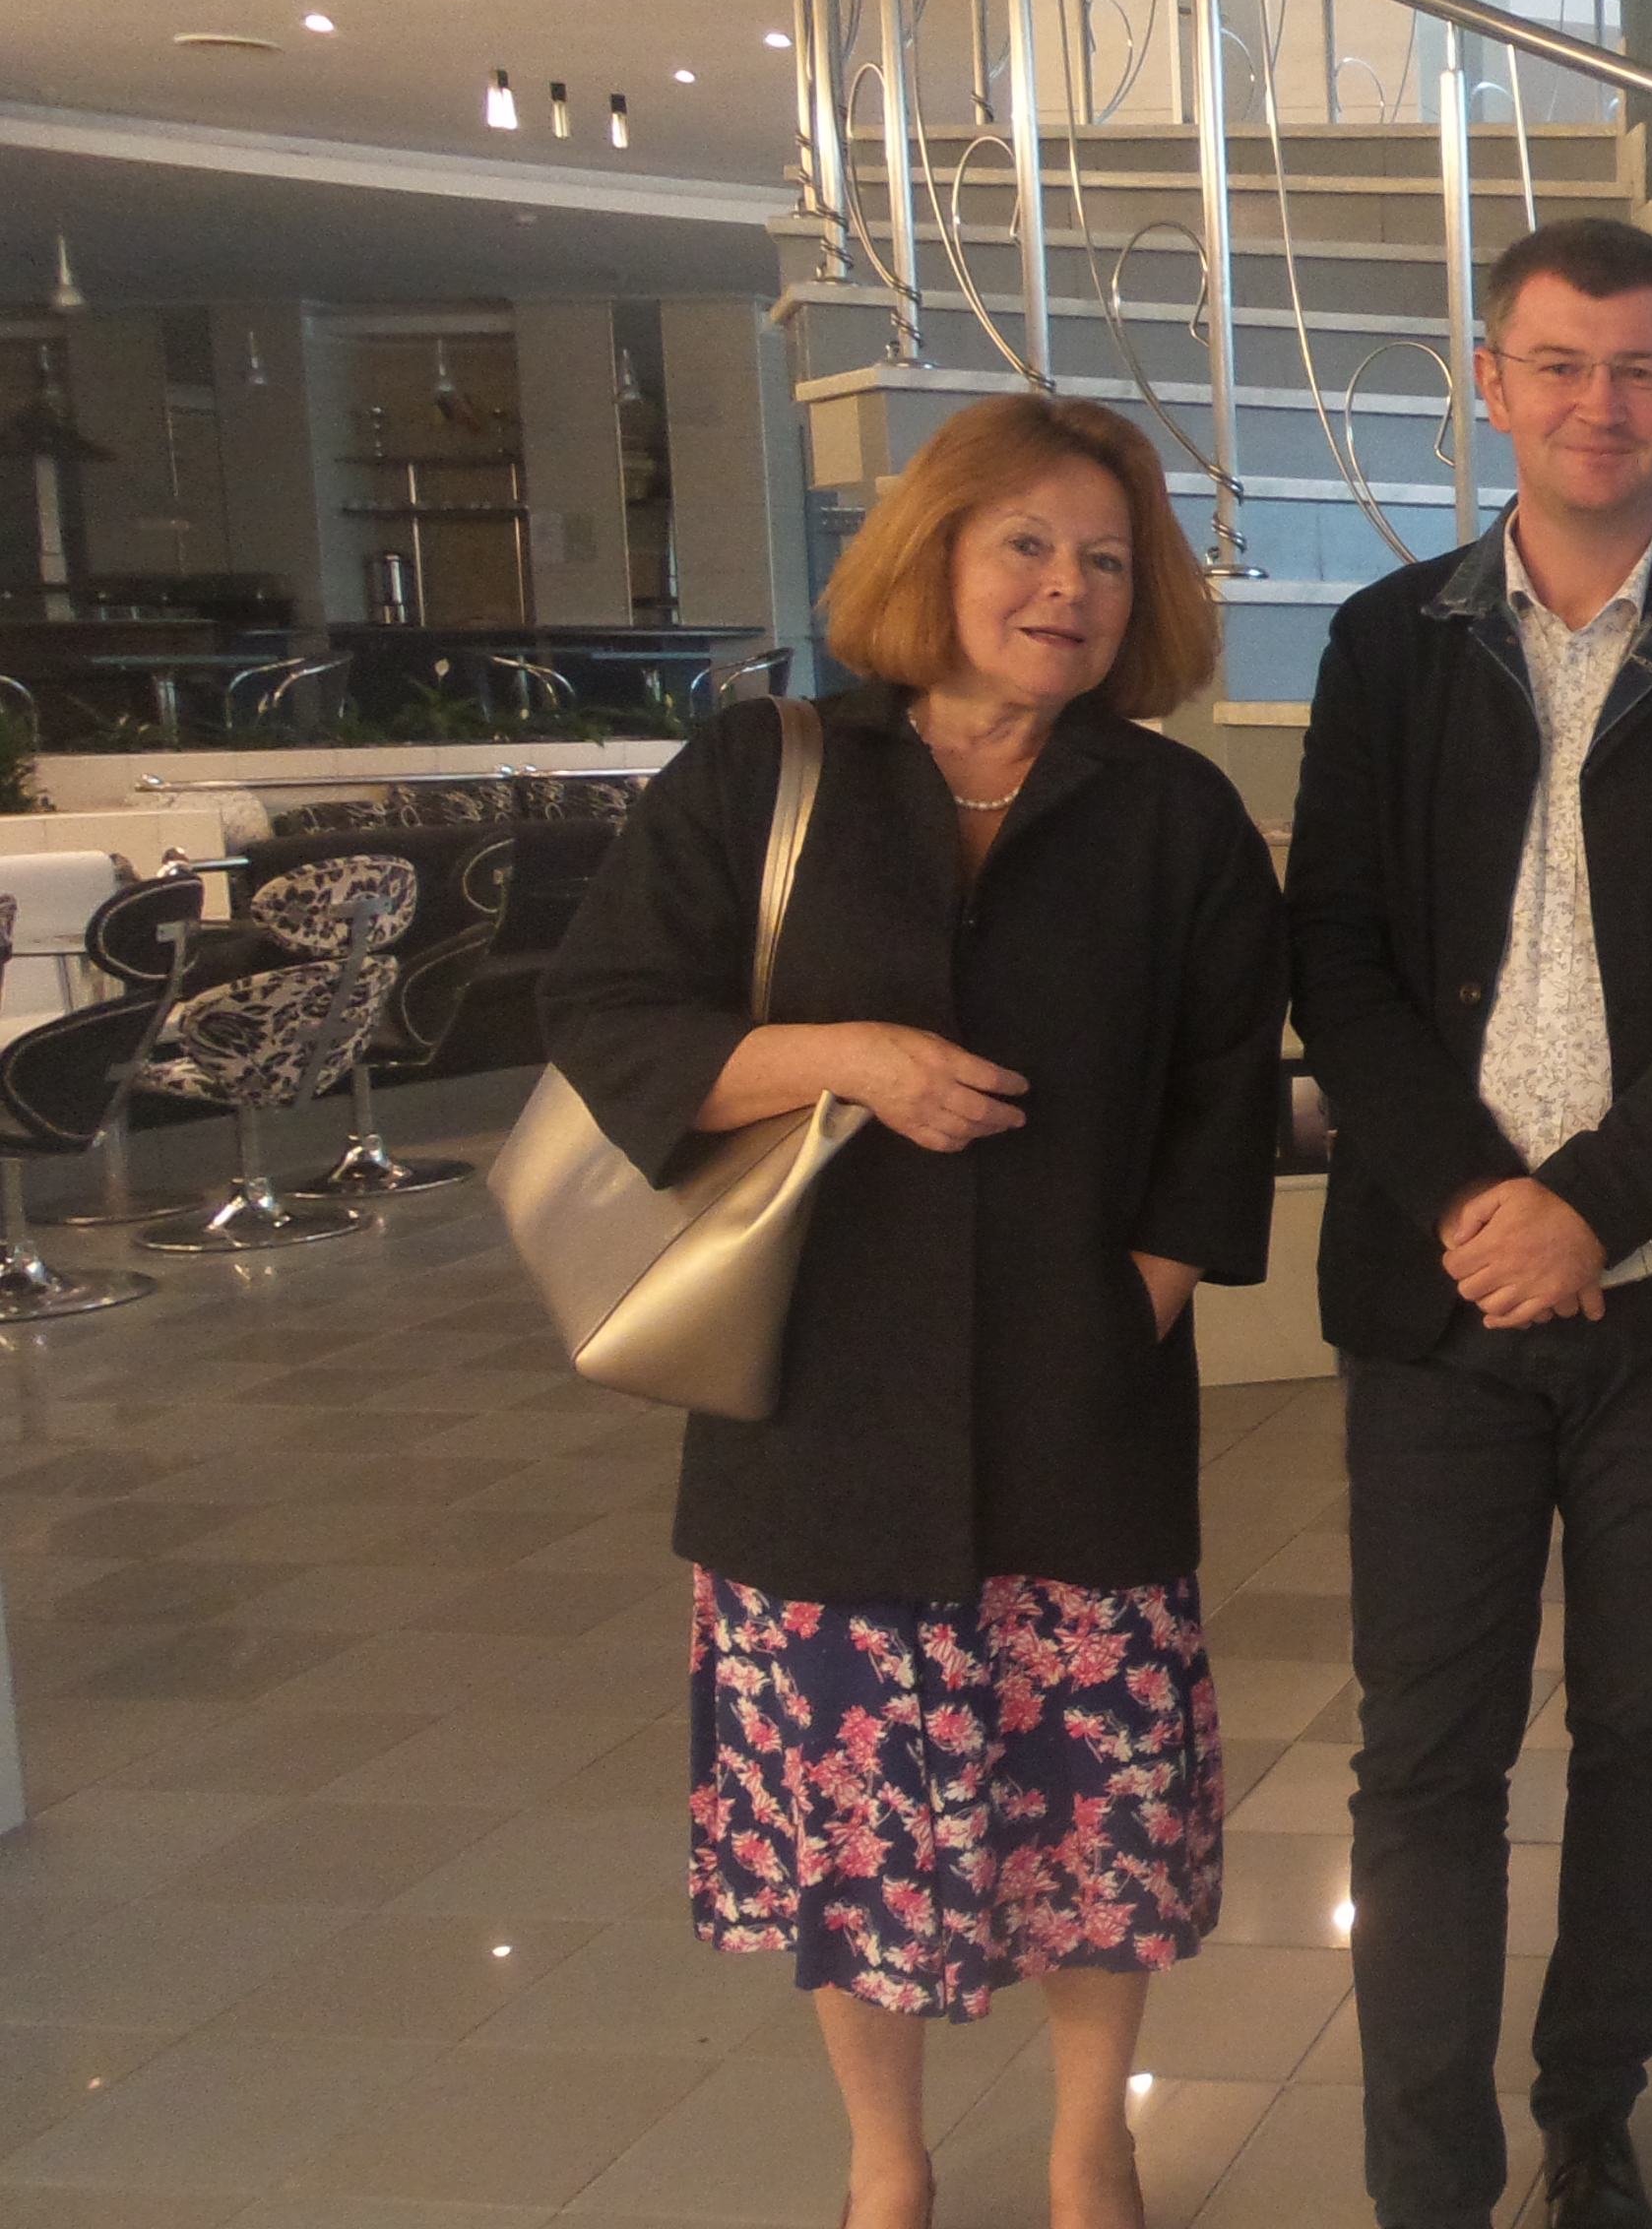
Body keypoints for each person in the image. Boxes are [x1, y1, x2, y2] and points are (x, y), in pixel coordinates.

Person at [539, 392, 1288, 2229]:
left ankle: (1093, 2139)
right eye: (1025, 544)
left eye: (1107, 560)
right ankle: (887, 2162)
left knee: (1096, 1811)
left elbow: (1225, 1091)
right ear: (932, 555)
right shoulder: (765, 770)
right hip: (818, 1398)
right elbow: (608, 1011)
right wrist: (841, 1056)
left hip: (1079, 1394)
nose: (1068, 587)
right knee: (843, 1816)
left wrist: (1143, 1300)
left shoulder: (1173, 813)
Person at [1285, 215, 1652, 2229]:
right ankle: (1426, 2180)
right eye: (1557, 362)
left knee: (1647, 1732)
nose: (1597, 402)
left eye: (1637, 369)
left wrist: (1590, 1209)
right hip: (1437, 1295)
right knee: (1423, 1758)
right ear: (1490, 383)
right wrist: (1476, 1202)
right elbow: (1337, 958)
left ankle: (1588, 2110)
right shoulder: (1386, 644)